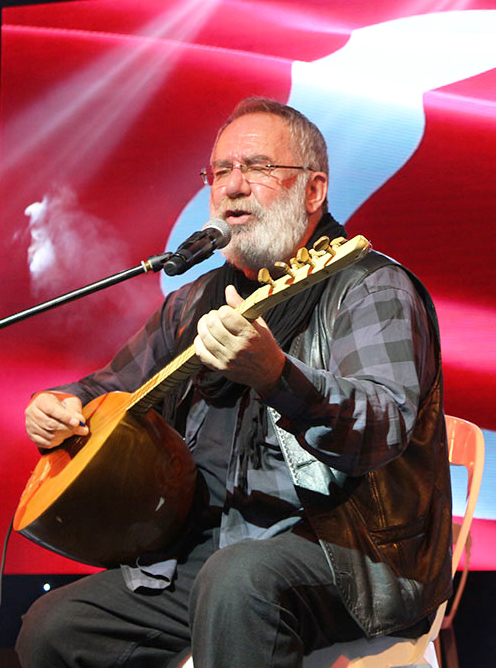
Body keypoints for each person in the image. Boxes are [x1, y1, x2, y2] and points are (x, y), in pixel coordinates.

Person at [17, 96, 451, 668]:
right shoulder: (193, 301)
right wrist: (58, 406)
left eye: (259, 167)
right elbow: (108, 389)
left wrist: (278, 377)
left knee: (238, 580)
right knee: (53, 628)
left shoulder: (370, 287)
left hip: (349, 552)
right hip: (210, 547)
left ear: (313, 191)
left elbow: (382, 425)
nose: (233, 186)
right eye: (220, 171)